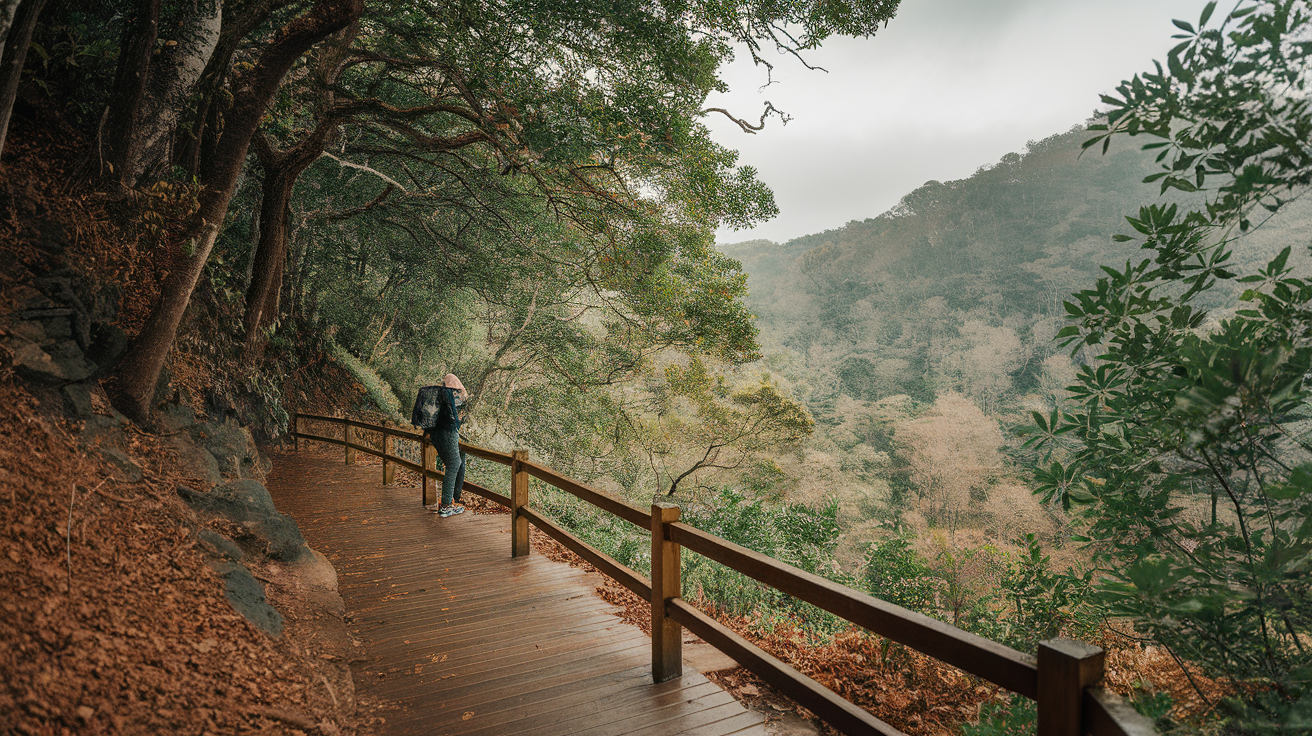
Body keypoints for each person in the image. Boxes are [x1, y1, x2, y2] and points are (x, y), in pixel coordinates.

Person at [418, 373, 469, 517]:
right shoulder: (450, 394)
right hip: (448, 432)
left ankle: (451, 501)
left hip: (436, 434)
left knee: (455, 462)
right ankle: (446, 505)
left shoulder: (437, 395)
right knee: (454, 464)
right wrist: (461, 390)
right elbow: (463, 400)